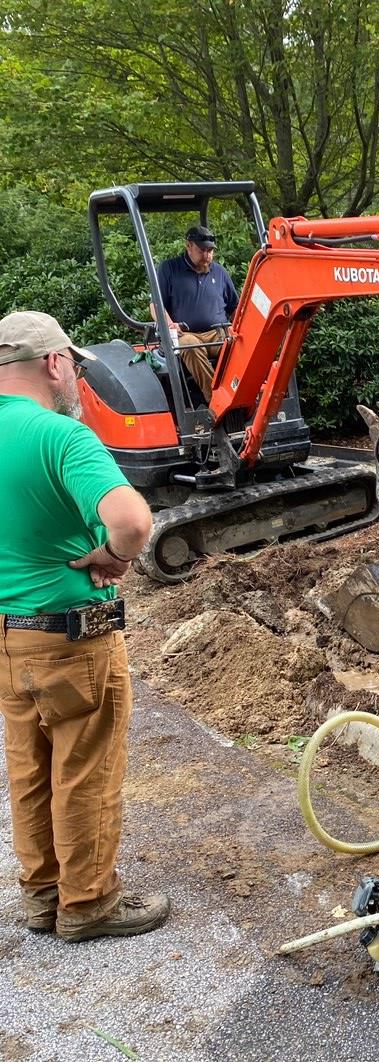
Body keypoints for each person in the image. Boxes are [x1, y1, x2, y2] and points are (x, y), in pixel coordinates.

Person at [0, 310, 170, 942]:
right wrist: (115, 557)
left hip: (8, 637)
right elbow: (131, 521)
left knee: (29, 768)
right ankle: (88, 903)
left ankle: (43, 896)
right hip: (70, 637)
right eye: (72, 363)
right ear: (53, 363)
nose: (75, 377)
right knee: (85, 768)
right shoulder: (62, 437)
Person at [154, 224, 240, 403]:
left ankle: (243, 396)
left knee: (240, 345)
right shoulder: (170, 269)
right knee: (190, 346)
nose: (207, 255)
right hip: (186, 334)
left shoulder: (220, 272)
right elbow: (156, 305)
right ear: (189, 246)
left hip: (217, 333)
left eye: (210, 251)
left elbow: (235, 308)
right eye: (202, 250)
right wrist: (169, 325)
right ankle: (217, 401)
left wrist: (241, 330)